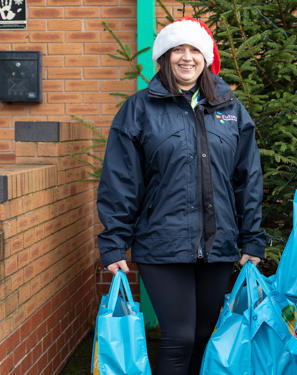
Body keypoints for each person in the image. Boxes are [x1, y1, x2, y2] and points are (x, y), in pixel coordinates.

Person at [96, 17, 266, 375]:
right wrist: (113, 243)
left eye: (194, 50)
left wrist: (252, 238)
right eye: (178, 50)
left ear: (205, 57)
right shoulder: (139, 109)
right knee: (180, 338)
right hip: (162, 243)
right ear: (164, 57)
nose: (186, 58)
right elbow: (120, 180)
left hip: (217, 245)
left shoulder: (231, 110)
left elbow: (247, 179)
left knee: (205, 335)